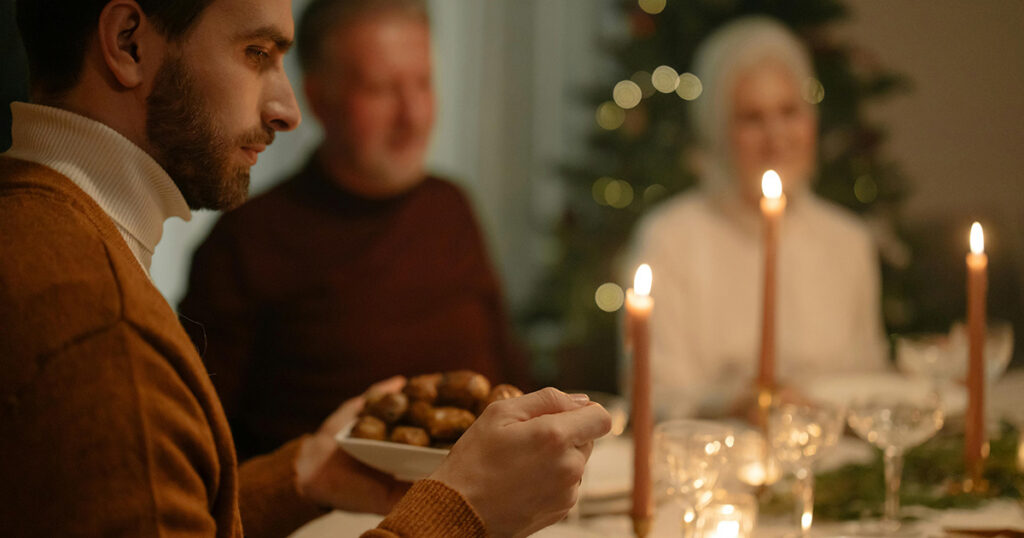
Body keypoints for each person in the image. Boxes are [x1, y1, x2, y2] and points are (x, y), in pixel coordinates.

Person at [0, 1, 611, 536]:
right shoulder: (102, 325)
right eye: (256, 52)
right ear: (128, 41)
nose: (286, 109)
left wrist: (302, 477)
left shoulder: (41, 231)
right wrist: (463, 512)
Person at [178, 0, 531, 460]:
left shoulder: (451, 208)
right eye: (382, 89)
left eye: (423, 83)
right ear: (320, 99)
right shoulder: (247, 241)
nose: (414, 116)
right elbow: (198, 446)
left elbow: (513, 374)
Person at [631, 17, 889, 420]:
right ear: (718, 129)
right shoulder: (671, 239)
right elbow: (652, 394)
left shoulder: (848, 241)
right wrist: (735, 404)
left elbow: (870, 382)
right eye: (752, 118)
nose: (776, 136)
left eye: (790, 112)